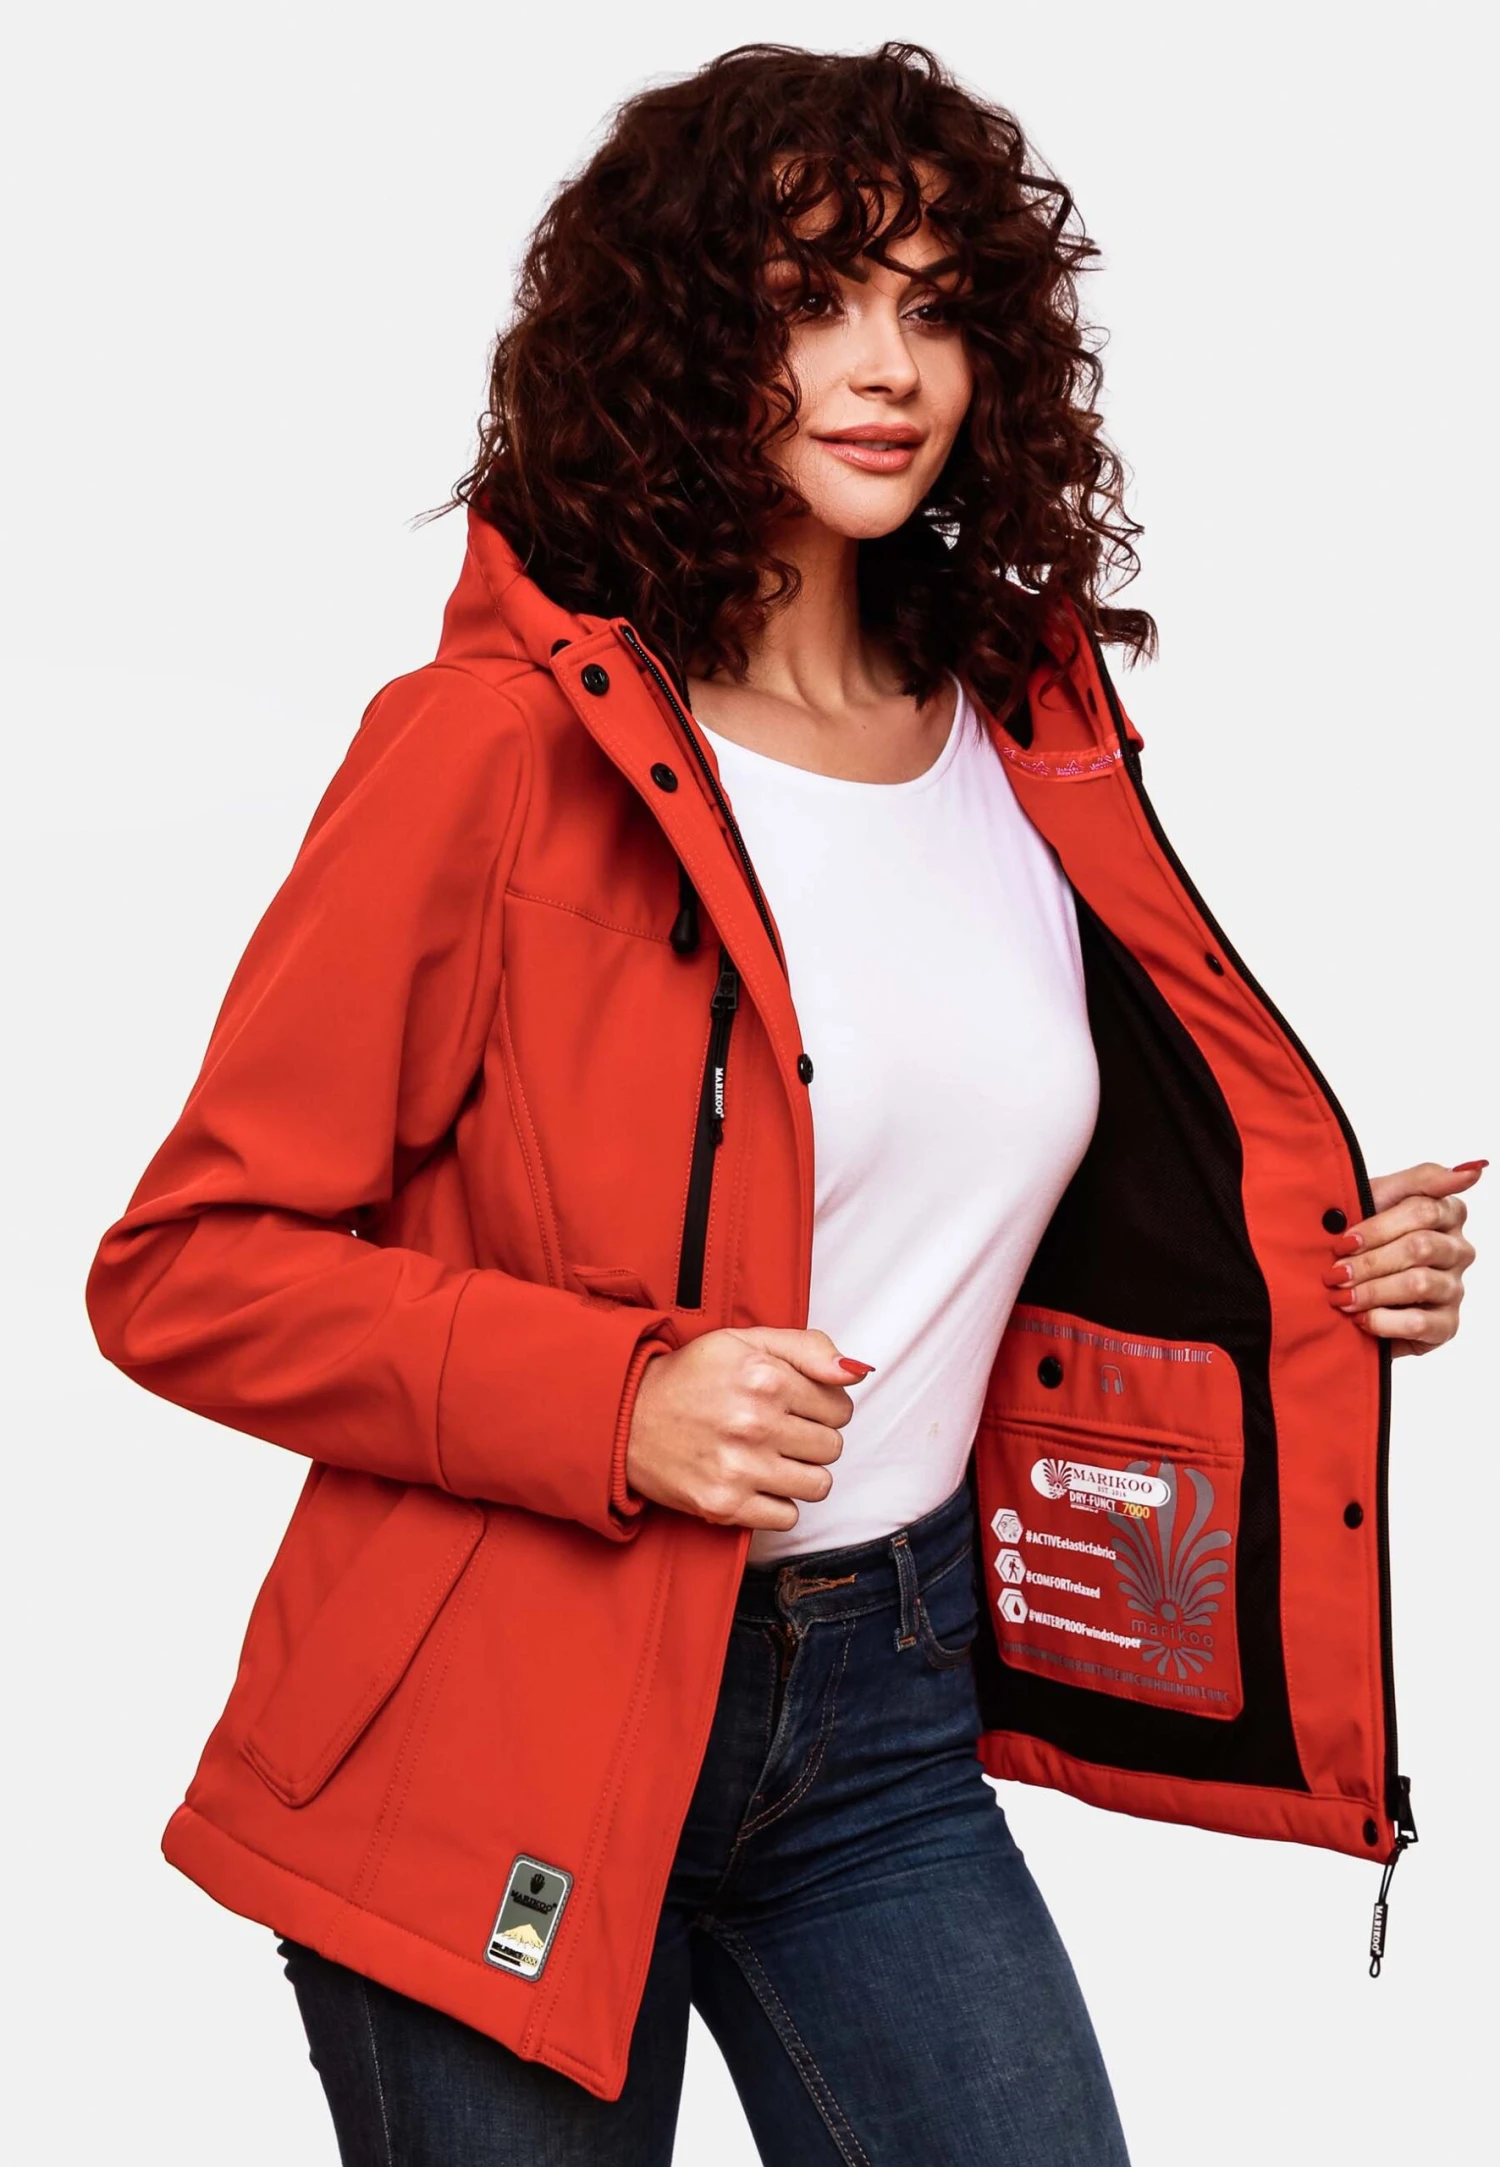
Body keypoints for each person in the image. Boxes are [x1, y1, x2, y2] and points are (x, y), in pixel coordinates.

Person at [86, 41, 1480, 2167]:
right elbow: (183, 1269)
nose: (886, 366)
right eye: (812, 301)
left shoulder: (1022, 730)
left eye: (935, 307)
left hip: (887, 1701)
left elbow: (986, 1175)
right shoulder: (495, 748)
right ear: (677, 336)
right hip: (504, 1710)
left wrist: (1311, 1264)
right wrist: (618, 1400)